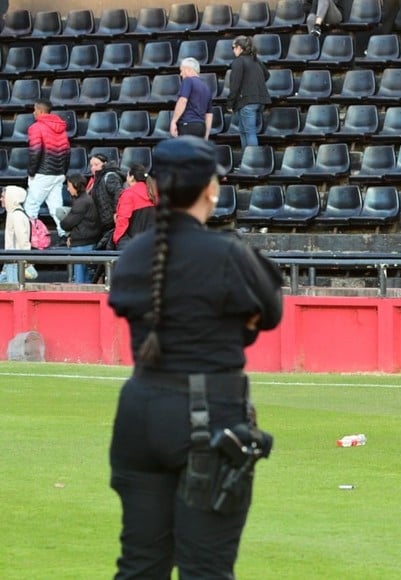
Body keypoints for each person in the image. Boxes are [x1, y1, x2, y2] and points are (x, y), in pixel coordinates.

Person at [108, 136, 284, 578]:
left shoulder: (132, 255)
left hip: (140, 410)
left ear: (157, 189)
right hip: (208, 415)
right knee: (206, 570)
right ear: (212, 188)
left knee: (139, 565)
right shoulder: (229, 254)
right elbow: (270, 313)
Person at [25, 99, 70, 238]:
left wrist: (31, 172)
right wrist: (63, 172)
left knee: (30, 207)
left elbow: (35, 151)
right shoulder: (61, 128)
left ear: (40, 111)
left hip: (42, 173)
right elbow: (67, 152)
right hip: (58, 174)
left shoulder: (36, 127)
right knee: (56, 208)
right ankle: (65, 236)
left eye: (34, 109)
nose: (33, 112)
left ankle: (28, 237)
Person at [226, 36, 271, 152]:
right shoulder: (256, 60)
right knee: (243, 130)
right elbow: (267, 75)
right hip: (258, 100)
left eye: (233, 47)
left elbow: (234, 85)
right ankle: (246, 161)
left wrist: (230, 104)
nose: (233, 50)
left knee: (249, 132)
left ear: (240, 48)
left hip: (247, 101)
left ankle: (252, 162)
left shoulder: (238, 62)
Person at [59, 173, 100, 284]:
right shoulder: (84, 199)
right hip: (86, 241)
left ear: (76, 185)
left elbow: (67, 223)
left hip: (82, 244)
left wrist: (62, 222)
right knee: (85, 276)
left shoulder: (81, 202)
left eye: (69, 186)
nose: (67, 189)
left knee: (80, 279)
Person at [113, 163, 157, 250]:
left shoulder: (128, 194)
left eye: (127, 175)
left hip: (134, 244)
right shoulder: (154, 192)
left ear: (132, 177)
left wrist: (116, 238)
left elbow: (123, 220)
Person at [170, 57, 213, 139]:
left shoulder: (188, 81)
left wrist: (173, 121)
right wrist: (206, 135)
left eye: (182, 70)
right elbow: (209, 114)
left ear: (188, 69)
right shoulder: (206, 87)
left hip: (187, 124)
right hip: (201, 126)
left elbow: (182, 101)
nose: (181, 74)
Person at [87, 154, 125, 240]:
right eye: (91, 165)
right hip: (101, 223)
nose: (93, 168)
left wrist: (116, 212)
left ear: (105, 164)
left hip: (110, 222)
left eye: (96, 165)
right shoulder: (95, 179)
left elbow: (119, 194)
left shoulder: (110, 176)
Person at [0, 186, 32, 284]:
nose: (1, 199)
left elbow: (23, 242)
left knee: (12, 290)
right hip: (10, 261)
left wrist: (26, 261)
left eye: (3, 197)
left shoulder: (17, 216)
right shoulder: (13, 214)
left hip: (14, 263)